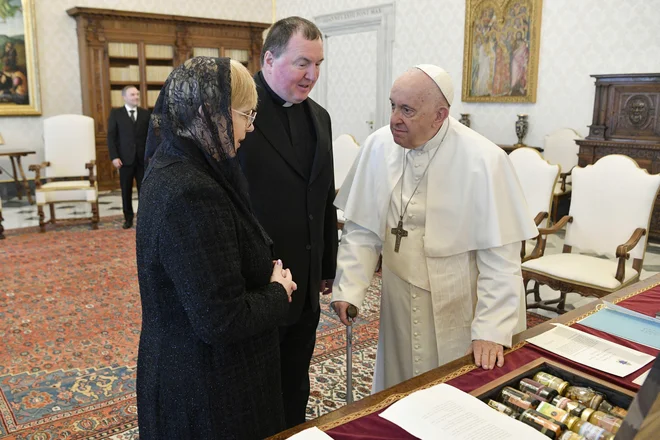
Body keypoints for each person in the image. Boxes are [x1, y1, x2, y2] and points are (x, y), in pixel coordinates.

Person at [331, 65, 538, 393]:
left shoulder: (484, 160)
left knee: (453, 395)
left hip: (457, 298)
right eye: (393, 105)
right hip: (398, 294)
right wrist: (349, 288)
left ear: (440, 115)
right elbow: (362, 229)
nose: (395, 118)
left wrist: (491, 329)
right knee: (398, 387)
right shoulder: (378, 146)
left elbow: (501, 259)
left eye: (408, 110)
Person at [135, 57, 297, 439]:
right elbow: (221, 320)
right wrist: (278, 291)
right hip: (207, 391)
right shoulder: (193, 192)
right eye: (246, 114)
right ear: (212, 114)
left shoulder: (176, 165)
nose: (250, 127)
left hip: (190, 372)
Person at [237, 17, 338, 428]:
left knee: (295, 382)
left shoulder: (321, 117)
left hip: (307, 284)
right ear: (269, 59)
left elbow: (323, 196)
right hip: (258, 284)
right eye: (302, 63)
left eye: (318, 64)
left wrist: (326, 267)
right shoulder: (239, 115)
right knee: (254, 393)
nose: (312, 75)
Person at [107, 85, 149, 229]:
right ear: (124, 97)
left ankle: (144, 219)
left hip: (142, 160)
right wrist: (114, 157)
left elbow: (150, 137)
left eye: (137, 94)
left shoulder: (145, 114)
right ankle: (128, 218)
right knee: (126, 191)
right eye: (132, 95)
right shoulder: (116, 114)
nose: (136, 97)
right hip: (124, 160)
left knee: (144, 191)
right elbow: (111, 137)